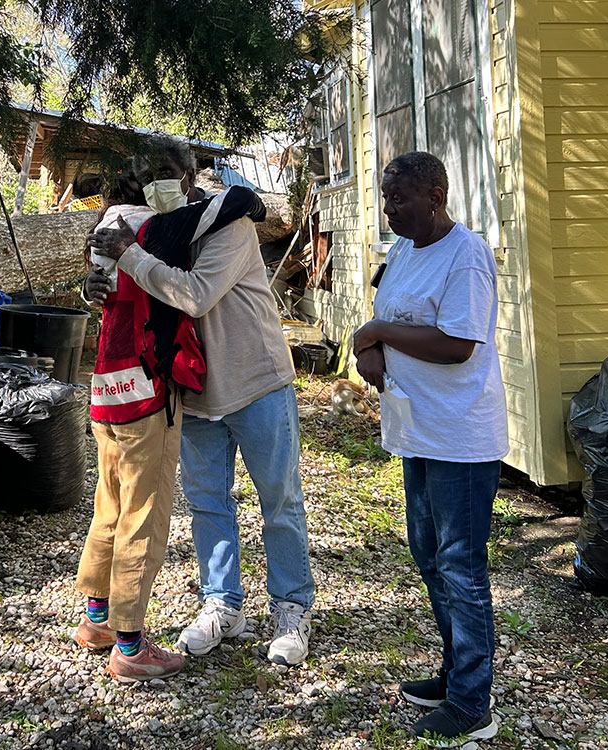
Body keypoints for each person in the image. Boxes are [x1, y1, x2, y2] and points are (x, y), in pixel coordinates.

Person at [87, 138, 316, 667]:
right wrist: (94, 287)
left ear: (192, 174)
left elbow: (193, 293)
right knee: (209, 501)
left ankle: (292, 607)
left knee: (279, 500)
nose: (160, 182)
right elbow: (131, 290)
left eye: (170, 171)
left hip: (255, 381)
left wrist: (131, 255)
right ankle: (223, 604)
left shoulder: (226, 224)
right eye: (149, 174)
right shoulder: (164, 230)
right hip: (191, 390)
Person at [74, 157, 267, 683]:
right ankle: (131, 646)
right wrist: (244, 196)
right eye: (181, 179)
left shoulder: (107, 227)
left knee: (109, 502)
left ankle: (96, 622)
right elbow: (231, 205)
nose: (185, 191)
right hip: (147, 389)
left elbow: (97, 286)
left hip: (105, 388)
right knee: (145, 513)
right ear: (171, 182)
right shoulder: (156, 229)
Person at [352, 151, 507, 745]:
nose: (389, 208)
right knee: (428, 556)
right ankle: (453, 673)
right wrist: (370, 350)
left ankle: (473, 703)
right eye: (386, 198)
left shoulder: (465, 255)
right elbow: (379, 321)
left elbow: (458, 344)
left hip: (460, 439)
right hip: (415, 430)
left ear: (436, 196)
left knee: (461, 568)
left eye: (400, 198)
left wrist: (380, 335)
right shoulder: (401, 253)